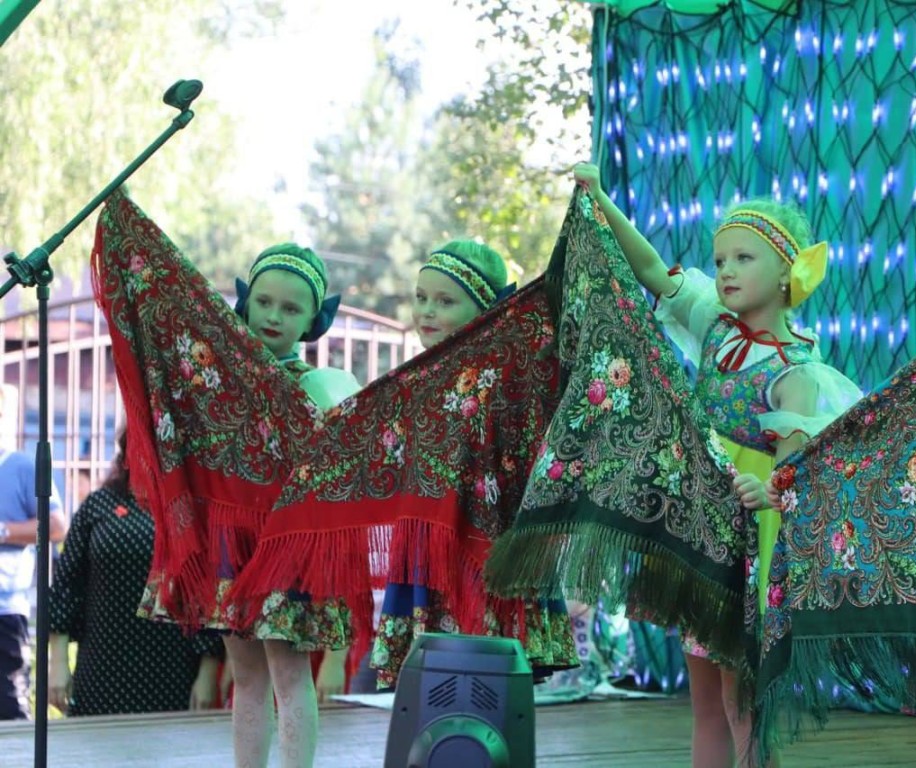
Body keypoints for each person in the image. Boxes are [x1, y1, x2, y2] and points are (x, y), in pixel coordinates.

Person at [572, 162, 860, 767]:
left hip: (749, 548)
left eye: (743, 259)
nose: (726, 270)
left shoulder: (796, 371)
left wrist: (768, 486)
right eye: (720, 258)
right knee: (703, 701)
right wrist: (598, 197)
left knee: (742, 704)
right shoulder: (716, 329)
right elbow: (651, 269)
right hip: (701, 531)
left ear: (786, 270)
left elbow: (793, 478)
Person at [136, 243, 360, 768]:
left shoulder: (321, 387)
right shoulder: (216, 379)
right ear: (245, 302)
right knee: (246, 674)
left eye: (290, 308)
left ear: (314, 319)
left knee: (289, 672)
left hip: (289, 549)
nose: (273, 316)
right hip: (233, 545)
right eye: (264, 302)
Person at [371, 240, 576, 688]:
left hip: (482, 545)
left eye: (445, 301)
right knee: (432, 683)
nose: (427, 310)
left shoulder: (503, 377)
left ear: (484, 309)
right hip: (426, 548)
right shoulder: (413, 379)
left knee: (490, 680)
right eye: (421, 297)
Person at [48, 429, 225, 715]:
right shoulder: (98, 505)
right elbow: (66, 586)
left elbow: (210, 596)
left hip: (174, 671)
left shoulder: (192, 510)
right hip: (102, 670)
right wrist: (57, 664)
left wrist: (208, 672)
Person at [0, 386, 67, 720]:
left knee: (10, 713)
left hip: (5, 612)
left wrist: (4, 531)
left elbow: (56, 526)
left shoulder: (23, 466)